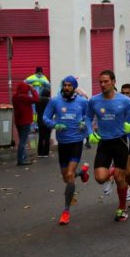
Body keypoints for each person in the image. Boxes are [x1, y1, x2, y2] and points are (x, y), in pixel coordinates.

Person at [86, 70, 130, 222]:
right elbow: (88, 117)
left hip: (120, 142)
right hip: (104, 142)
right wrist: (90, 133)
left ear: (113, 82)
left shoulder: (124, 100)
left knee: (119, 177)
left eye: (106, 81)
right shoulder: (94, 101)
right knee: (100, 178)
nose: (102, 85)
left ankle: (122, 209)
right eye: (100, 82)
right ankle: (111, 171)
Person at [42, 76, 91, 225]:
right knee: (66, 178)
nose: (67, 88)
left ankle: (66, 211)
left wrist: (85, 124)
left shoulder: (82, 102)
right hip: (62, 143)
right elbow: (45, 117)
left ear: (74, 87)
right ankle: (82, 172)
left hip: (76, 141)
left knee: (69, 175)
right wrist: (54, 125)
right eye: (65, 85)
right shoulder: (55, 101)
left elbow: (88, 117)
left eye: (70, 85)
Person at [13, 82, 39, 166]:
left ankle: (23, 157)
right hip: (25, 121)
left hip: (18, 121)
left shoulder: (15, 97)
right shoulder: (24, 97)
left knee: (22, 140)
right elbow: (36, 99)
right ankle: (21, 160)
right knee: (23, 142)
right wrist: (32, 89)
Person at [36, 88, 52, 158]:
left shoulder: (38, 100)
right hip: (47, 120)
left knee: (41, 136)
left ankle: (40, 153)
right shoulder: (49, 101)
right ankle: (46, 153)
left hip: (39, 120)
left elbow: (36, 110)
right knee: (47, 136)